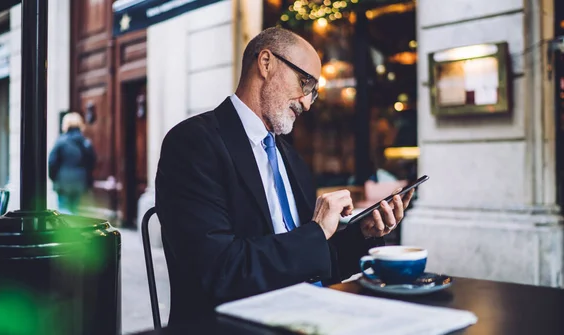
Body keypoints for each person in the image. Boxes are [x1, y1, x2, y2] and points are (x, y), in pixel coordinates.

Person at [155, 27, 414, 324]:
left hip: (308, 315)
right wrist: (316, 232)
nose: (306, 103)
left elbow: (312, 260)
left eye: (313, 94)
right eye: (304, 83)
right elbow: (219, 271)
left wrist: (362, 233)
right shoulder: (193, 144)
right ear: (266, 63)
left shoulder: (291, 159)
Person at [48, 112, 96, 215]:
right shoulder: (85, 142)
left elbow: (52, 163)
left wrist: (55, 179)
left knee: (64, 212)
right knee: (77, 212)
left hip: (63, 183)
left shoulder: (60, 142)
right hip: (80, 182)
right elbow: (92, 163)